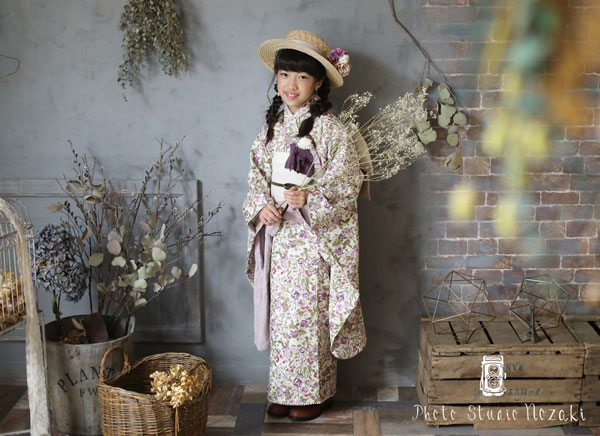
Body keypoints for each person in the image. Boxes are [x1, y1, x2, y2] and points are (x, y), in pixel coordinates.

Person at [243, 30, 367, 422]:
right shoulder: (271, 129)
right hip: (281, 239)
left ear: (317, 83)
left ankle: (315, 394)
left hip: (314, 240)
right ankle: (283, 391)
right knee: (283, 317)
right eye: (283, 75)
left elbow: (346, 185)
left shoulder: (332, 130)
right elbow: (256, 179)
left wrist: (309, 198)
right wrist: (262, 207)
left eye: (301, 76)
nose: (290, 84)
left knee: (310, 316)